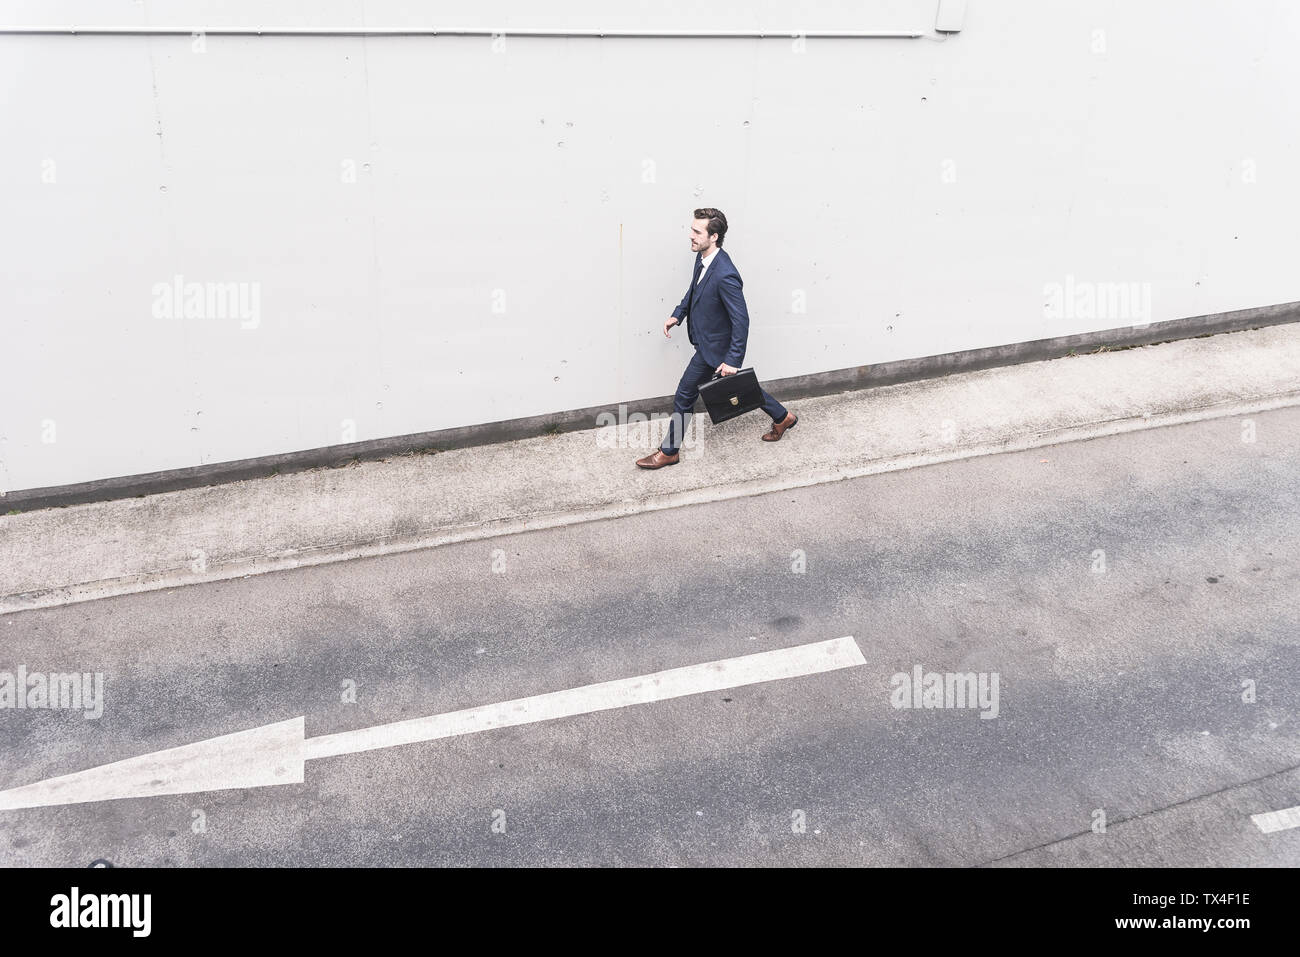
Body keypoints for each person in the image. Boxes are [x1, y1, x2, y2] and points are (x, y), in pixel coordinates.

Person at [636, 208, 797, 469]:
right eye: (692, 229)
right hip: (709, 344)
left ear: (714, 236)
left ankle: (669, 451)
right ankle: (783, 417)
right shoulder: (703, 258)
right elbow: (694, 291)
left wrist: (732, 359)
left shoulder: (725, 274)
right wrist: (678, 315)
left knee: (684, 395)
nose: (690, 235)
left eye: (697, 232)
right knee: (742, 389)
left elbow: (741, 320)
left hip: (715, 350)